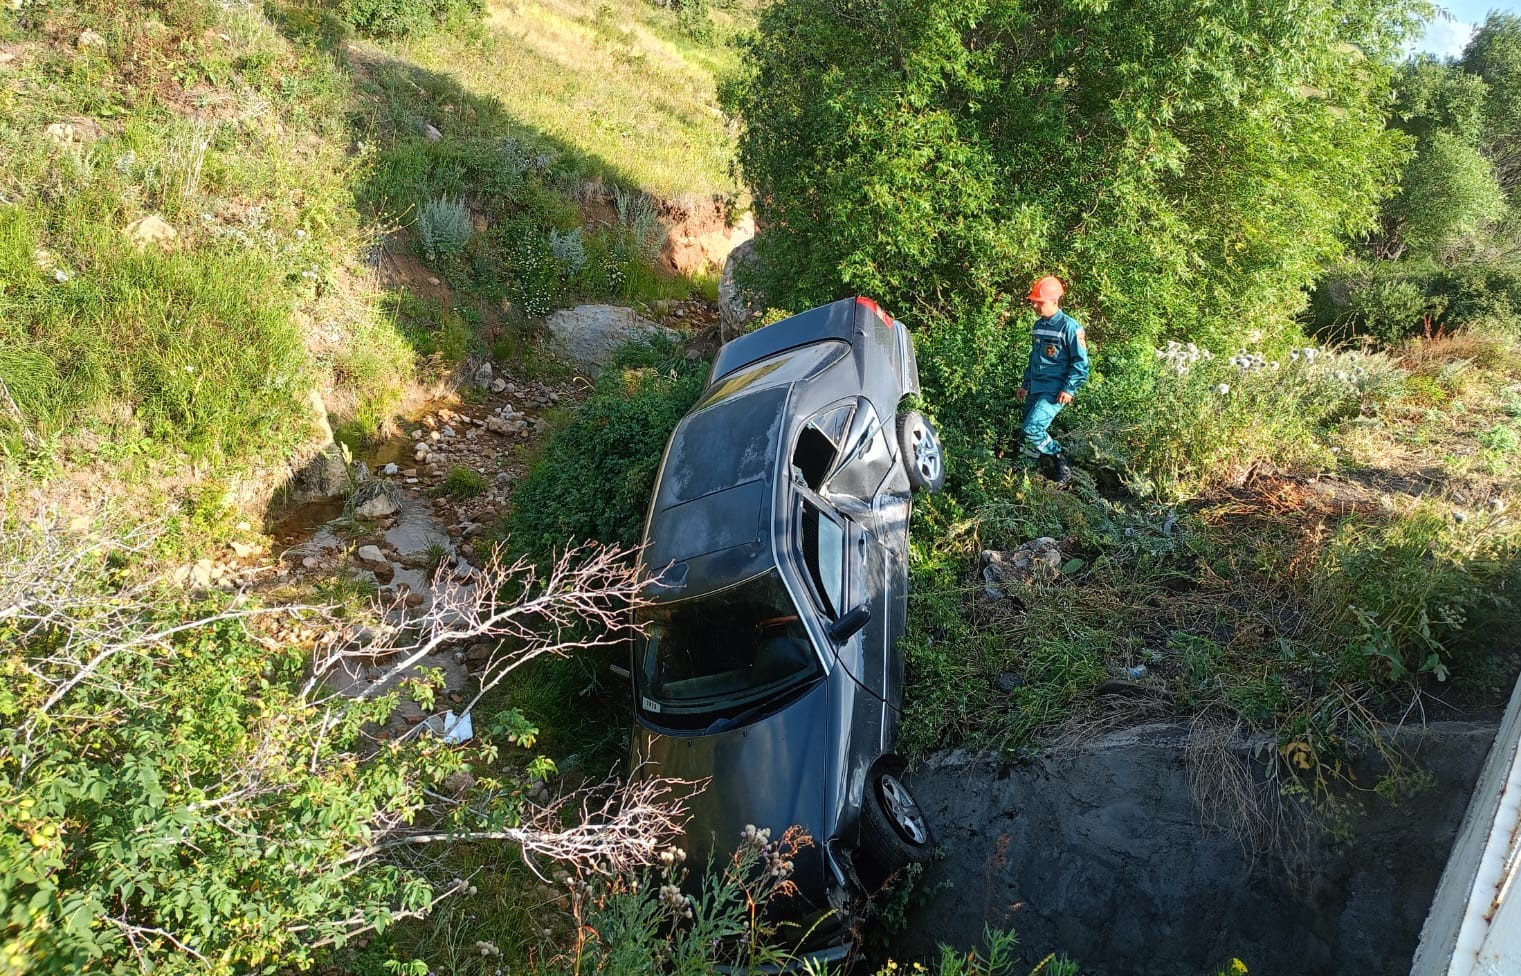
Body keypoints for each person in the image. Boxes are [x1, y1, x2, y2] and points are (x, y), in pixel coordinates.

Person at [1015, 275, 1089, 484]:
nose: (1036, 306)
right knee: (1026, 431)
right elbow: (1034, 358)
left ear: (1054, 301)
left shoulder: (1070, 328)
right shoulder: (1039, 326)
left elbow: (1080, 364)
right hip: (1036, 386)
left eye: (1040, 302)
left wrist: (1069, 388)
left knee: (1033, 429)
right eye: (1034, 302)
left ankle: (1060, 460)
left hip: (1054, 389)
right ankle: (1026, 470)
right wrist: (1025, 384)